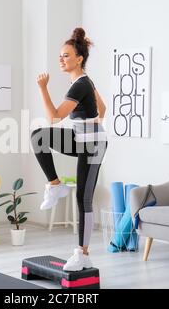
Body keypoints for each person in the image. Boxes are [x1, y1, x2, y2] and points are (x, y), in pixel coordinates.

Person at [30, 28, 108, 271]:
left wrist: (42, 88)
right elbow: (102, 108)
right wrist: (90, 124)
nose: (61, 60)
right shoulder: (82, 82)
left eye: (65, 55)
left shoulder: (80, 84)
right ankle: (55, 185)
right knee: (39, 136)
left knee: (83, 197)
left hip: (92, 144)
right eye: (60, 56)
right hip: (79, 137)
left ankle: (82, 254)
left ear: (79, 58)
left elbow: (54, 117)